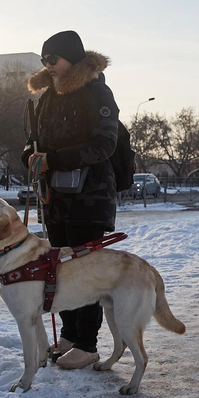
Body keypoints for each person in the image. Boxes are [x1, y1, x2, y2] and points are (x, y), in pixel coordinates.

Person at [21, 30, 119, 370]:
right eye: (44, 61)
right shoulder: (47, 95)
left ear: (71, 59)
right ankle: (68, 334)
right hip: (56, 199)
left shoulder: (97, 92)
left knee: (86, 273)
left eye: (53, 60)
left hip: (90, 201)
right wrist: (31, 156)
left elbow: (105, 145)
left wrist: (55, 159)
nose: (48, 66)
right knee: (59, 271)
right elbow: (36, 141)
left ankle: (88, 344)